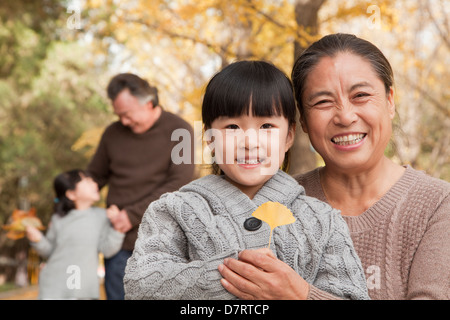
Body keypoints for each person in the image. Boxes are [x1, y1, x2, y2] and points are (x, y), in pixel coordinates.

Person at [218, 33, 450, 300]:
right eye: (323, 102)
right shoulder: (274, 204)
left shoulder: (438, 205)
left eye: (360, 95)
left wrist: (302, 296)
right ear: (303, 121)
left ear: (390, 101)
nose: (345, 116)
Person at [123, 60, 369, 300]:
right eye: (232, 127)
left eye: (266, 126)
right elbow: (140, 286)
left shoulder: (323, 220)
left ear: (289, 136)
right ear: (210, 138)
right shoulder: (173, 210)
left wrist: (298, 294)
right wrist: (235, 276)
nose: (250, 142)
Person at [87, 73, 195, 299]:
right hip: (119, 243)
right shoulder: (112, 133)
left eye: (126, 115)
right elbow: (94, 177)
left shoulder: (181, 131)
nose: (123, 122)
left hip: (164, 244)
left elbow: (180, 184)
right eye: (118, 115)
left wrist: (132, 215)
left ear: (148, 103)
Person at [25, 169, 124, 299]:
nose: (94, 184)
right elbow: (50, 251)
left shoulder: (102, 216)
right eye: (87, 181)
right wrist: (37, 240)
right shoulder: (58, 219)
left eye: (92, 180)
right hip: (54, 288)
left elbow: (107, 250)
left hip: (83, 291)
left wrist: (118, 228)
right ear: (71, 194)